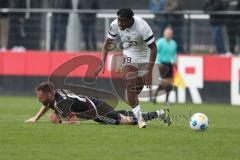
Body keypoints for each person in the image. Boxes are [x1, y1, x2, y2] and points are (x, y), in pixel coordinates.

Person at [95, 8, 171, 128]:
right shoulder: (115, 24)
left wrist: (149, 72)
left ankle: (158, 113)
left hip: (145, 56)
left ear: (131, 20)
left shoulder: (142, 26)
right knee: (130, 85)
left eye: (123, 21)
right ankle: (140, 120)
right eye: (119, 20)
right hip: (130, 54)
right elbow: (106, 44)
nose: (120, 23)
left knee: (134, 91)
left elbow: (153, 48)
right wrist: (103, 61)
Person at [24, 82, 170, 126]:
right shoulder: (56, 94)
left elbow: (75, 123)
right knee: (126, 115)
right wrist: (35, 118)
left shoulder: (61, 103)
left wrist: (59, 122)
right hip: (96, 103)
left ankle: (160, 113)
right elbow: (46, 105)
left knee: (129, 121)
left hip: (97, 112)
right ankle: (161, 113)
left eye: (41, 97)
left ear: (49, 94)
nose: (40, 100)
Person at [153, 27, 176, 105]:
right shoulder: (160, 42)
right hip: (162, 64)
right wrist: (157, 62)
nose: (169, 35)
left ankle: (165, 100)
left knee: (170, 83)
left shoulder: (173, 43)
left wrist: (174, 61)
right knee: (165, 83)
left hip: (170, 64)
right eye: (167, 33)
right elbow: (155, 52)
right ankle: (157, 96)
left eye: (170, 34)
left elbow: (173, 54)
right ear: (164, 33)